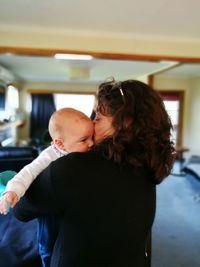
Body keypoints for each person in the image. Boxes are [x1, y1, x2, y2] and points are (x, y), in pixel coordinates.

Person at [13, 79, 175, 267]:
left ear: (126, 122)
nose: (91, 123)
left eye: (98, 118)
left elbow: (20, 210)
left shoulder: (72, 167)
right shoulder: (146, 164)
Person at [0, 107, 94, 267]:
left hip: (70, 210)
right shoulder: (49, 155)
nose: (92, 143)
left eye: (92, 137)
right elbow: (28, 172)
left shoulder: (85, 151)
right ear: (59, 143)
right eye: (84, 140)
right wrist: (13, 190)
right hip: (49, 211)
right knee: (47, 242)